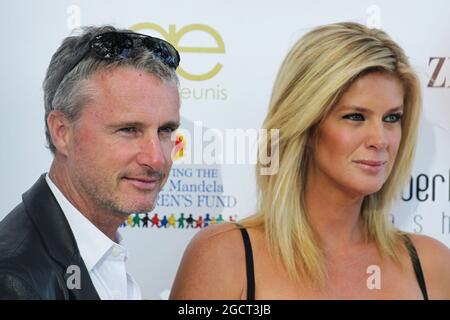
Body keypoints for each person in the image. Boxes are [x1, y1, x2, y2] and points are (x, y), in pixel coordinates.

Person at [170, 22, 450, 299]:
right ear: (306, 124)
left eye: (392, 118)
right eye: (355, 116)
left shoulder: (431, 266)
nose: (381, 139)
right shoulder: (227, 257)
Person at [0, 25, 181, 299]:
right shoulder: (14, 281)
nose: (155, 158)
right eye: (128, 130)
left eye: (165, 130)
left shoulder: (99, 252)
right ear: (62, 132)